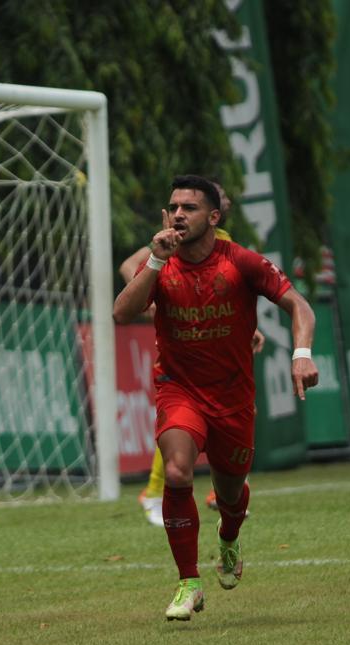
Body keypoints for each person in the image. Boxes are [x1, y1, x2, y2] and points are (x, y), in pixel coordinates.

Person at [112, 175, 317, 621]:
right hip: (179, 388)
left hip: (233, 395)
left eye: (189, 207)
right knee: (178, 470)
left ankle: (228, 538)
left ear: (214, 217)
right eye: (173, 207)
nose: (179, 215)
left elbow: (299, 305)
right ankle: (189, 581)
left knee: (230, 492)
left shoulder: (241, 262)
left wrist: (301, 354)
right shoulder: (159, 261)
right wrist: (151, 266)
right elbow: (121, 313)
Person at [119, 182, 264, 526]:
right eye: (220, 192)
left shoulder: (224, 242)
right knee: (179, 422)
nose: (227, 198)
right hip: (182, 346)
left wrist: (248, 327)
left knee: (233, 411)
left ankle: (225, 489)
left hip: (221, 345)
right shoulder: (170, 240)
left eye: (225, 195)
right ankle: (156, 490)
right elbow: (130, 267)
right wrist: (153, 301)